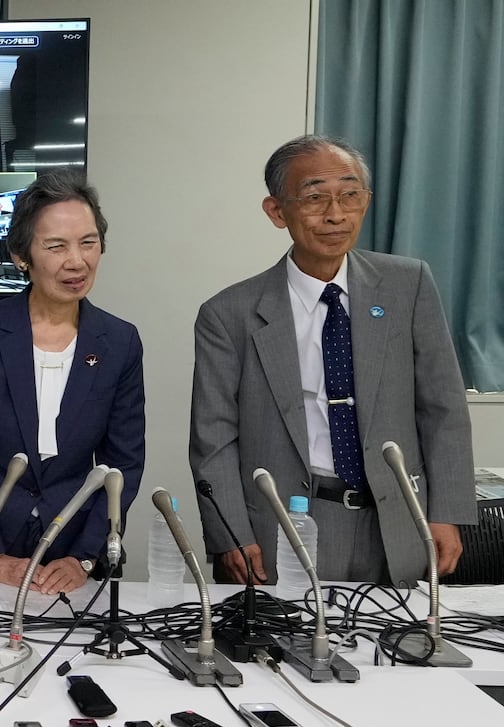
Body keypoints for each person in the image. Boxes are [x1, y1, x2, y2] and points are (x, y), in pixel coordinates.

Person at [190, 134, 474, 587]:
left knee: (395, 650)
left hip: (398, 522)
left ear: (366, 201)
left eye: (350, 195)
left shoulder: (407, 285)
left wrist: (447, 512)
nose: (335, 214)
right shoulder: (229, 314)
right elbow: (214, 439)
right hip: (284, 525)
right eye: (315, 198)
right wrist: (230, 534)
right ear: (277, 211)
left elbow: (443, 408)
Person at [0, 172, 144, 593]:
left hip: (70, 549)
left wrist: (85, 556)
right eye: (56, 246)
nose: (76, 261)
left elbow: (123, 463)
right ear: (21, 256)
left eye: (88, 243)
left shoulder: (119, 342)